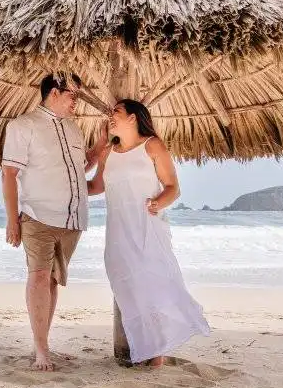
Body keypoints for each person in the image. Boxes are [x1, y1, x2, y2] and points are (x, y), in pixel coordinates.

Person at [88, 99, 209, 368]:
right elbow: (96, 186)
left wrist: (158, 203)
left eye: (116, 112)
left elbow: (172, 187)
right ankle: (143, 347)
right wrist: (64, 185)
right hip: (118, 233)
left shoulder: (152, 145)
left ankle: (157, 355)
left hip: (146, 229)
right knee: (128, 290)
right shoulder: (108, 153)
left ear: (133, 117)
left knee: (152, 288)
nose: (111, 117)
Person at [1, 72, 102, 371]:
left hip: (73, 220)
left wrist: (102, 145)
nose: (77, 101)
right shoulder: (22, 126)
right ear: (54, 93)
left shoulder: (73, 128)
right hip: (38, 216)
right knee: (40, 276)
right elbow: (9, 174)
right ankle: (41, 350)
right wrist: (12, 221)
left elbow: (83, 166)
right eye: (73, 95)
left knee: (53, 281)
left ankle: (44, 342)